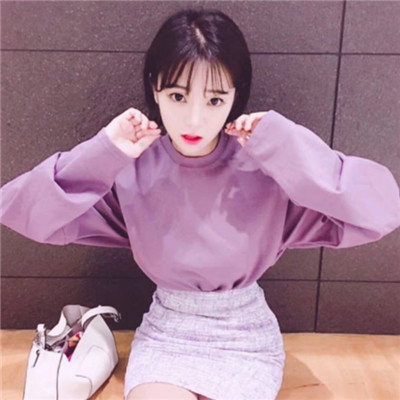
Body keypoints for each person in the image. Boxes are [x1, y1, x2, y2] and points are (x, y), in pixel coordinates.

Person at [1, 8, 400, 400]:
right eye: (177, 95)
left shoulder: (266, 167)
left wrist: (288, 147)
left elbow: (381, 210)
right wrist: (102, 153)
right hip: (167, 334)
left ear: (236, 96)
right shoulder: (133, 169)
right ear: (154, 89)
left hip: (244, 338)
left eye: (214, 99)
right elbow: (22, 211)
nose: (194, 119)